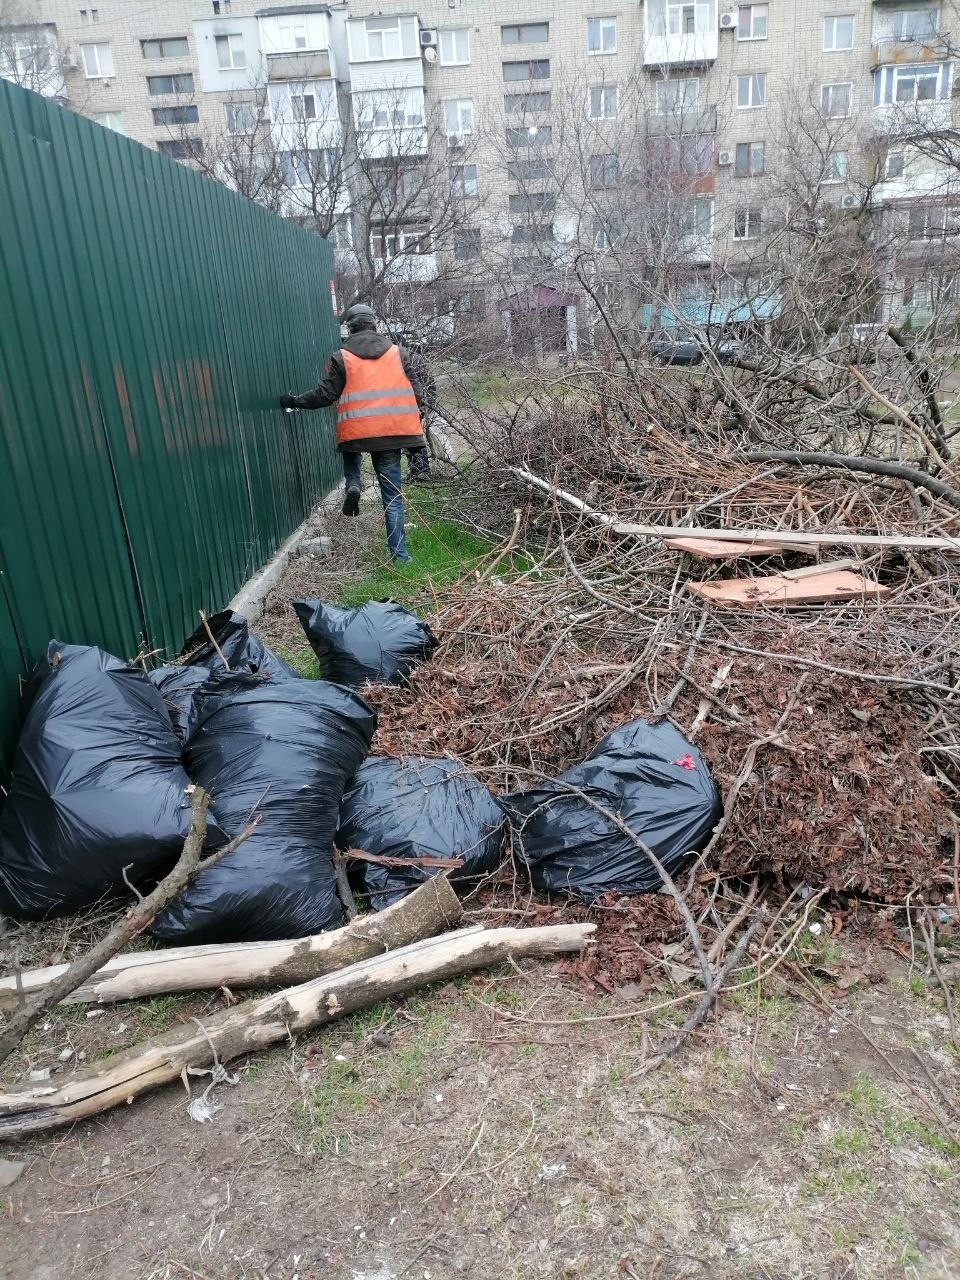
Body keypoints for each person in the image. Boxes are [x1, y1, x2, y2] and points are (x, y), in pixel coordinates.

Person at [280, 303, 428, 564]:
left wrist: (294, 401)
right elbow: (418, 393)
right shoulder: (399, 354)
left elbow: (325, 395)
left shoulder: (341, 357)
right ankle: (401, 558)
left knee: (352, 450)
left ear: (349, 328)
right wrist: (419, 415)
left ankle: (354, 483)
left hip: (358, 433)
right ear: (374, 324)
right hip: (393, 434)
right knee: (392, 497)